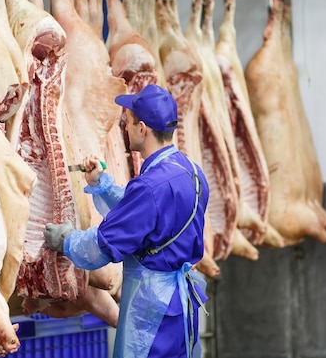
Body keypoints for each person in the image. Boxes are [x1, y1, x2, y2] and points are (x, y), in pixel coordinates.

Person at [43, 84, 210, 358]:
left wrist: (66, 241)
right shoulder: (192, 172)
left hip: (153, 311)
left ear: (142, 129)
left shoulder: (150, 186)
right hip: (179, 308)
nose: (126, 127)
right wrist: (102, 185)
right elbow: (147, 215)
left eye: (129, 122)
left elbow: (100, 249)